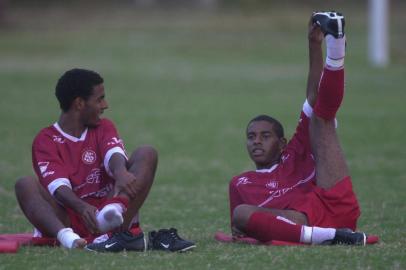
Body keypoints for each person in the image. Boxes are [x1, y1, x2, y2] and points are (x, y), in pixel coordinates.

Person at [15, 68, 195, 252]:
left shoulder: (104, 126)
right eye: (99, 99)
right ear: (79, 103)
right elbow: (58, 187)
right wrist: (82, 208)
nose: (105, 105)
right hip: (70, 218)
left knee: (147, 152)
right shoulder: (46, 140)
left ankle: (111, 221)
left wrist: (120, 172)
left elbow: (113, 153)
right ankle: (68, 239)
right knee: (24, 184)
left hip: (111, 214)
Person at [228, 12, 368, 245]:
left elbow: (313, 97)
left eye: (265, 136)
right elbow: (239, 230)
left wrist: (314, 44)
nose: (257, 141)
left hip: (333, 204)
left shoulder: (295, 151)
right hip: (301, 223)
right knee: (241, 213)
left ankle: (336, 46)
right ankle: (332, 237)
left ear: (281, 143)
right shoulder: (240, 182)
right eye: (251, 136)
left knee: (321, 118)